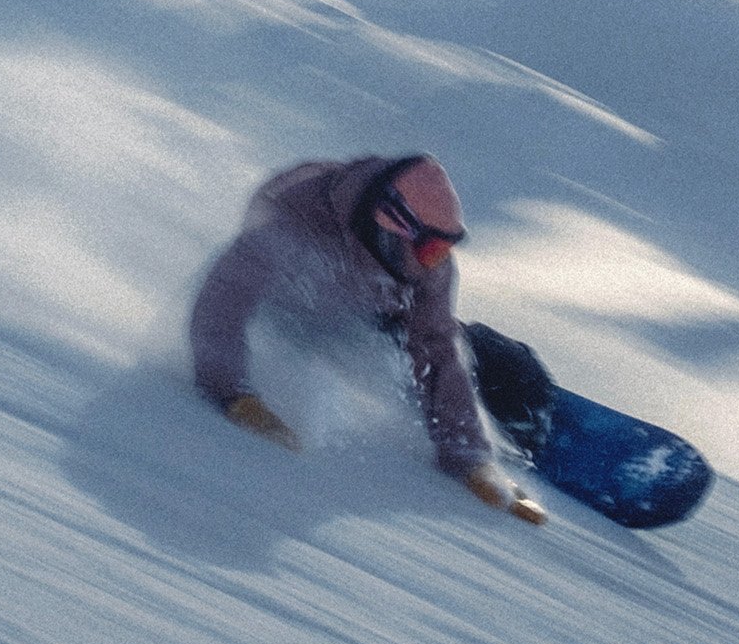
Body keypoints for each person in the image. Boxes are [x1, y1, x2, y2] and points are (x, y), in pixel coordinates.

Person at [189, 154, 547, 526]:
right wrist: (233, 394)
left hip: (368, 322)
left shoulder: (425, 264)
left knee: (505, 365)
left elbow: (437, 347)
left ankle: (531, 419)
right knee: (401, 375)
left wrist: (470, 457)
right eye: (431, 249)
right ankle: (522, 421)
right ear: (394, 222)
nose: (435, 262)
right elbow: (222, 302)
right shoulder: (297, 214)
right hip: (285, 319)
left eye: (445, 250)